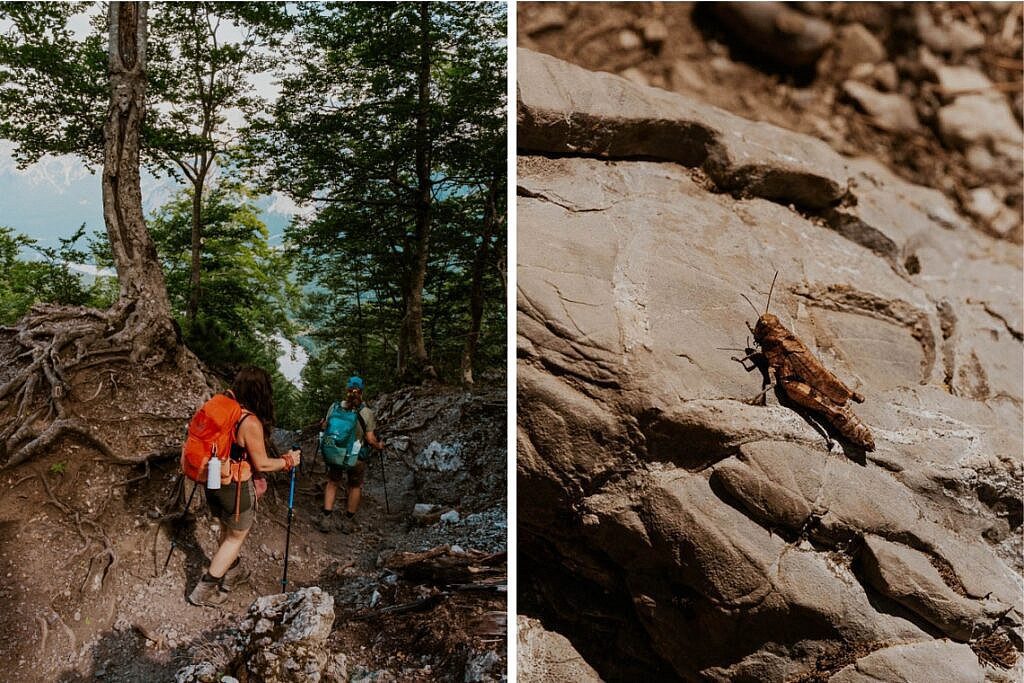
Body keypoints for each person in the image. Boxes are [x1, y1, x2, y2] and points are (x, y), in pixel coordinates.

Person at [188, 366, 301, 607]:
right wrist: (288, 461)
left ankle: (233, 571)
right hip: (236, 487)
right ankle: (203, 591)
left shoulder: (224, 406)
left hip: (213, 479)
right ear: (262, 392)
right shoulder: (249, 421)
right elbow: (261, 462)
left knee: (225, 529)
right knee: (234, 538)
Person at [316, 376, 383, 534]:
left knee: (333, 482)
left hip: (335, 453)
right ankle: (348, 521)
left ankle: (326, 518)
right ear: (361, 392)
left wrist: (322, 425)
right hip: (355, 457)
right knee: (354, 486)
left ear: (347, 390)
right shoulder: (366, 413)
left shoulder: (334, 407)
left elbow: (325, 426)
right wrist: (379, 446)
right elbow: (370, 438)